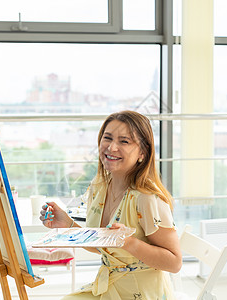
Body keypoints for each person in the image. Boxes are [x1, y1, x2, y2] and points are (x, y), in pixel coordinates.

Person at [40, 110, 182, 300]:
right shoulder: (99, 187)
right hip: (109, 289)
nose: (112, 147)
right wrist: (68, 225)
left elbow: (174, 263)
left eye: (124, 141)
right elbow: (102, 246)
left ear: (142, 152)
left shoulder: (147, 198)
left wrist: (127, 242)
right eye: (107, 138)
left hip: (144, 293)